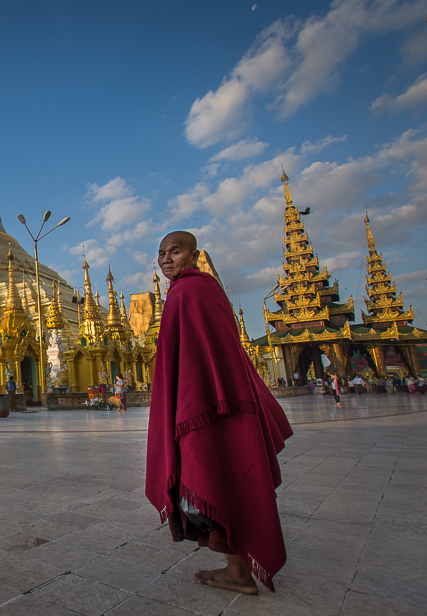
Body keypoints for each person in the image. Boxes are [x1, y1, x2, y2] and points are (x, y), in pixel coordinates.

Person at [146, 231, 293, 595]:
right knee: (225, 478)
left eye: (175, 252)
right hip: (219, 402)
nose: (166, 259)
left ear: (194, 255)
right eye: (161, 253)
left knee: (215, 476)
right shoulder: (201, 290)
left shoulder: (188, 292)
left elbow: (195, 361)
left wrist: (187, 406)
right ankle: (237, 568)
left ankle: (239, 570)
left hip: (205, 407)